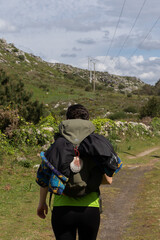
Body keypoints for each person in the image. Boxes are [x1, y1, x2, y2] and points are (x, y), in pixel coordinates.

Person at [37, 104, 113, 240]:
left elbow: (44, 179)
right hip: (90, 209)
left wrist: (41, 203)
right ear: (88, 121)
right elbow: (108, 180)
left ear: (67, 121)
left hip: (62, 209)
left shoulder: (57, 146)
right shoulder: (96, 145)